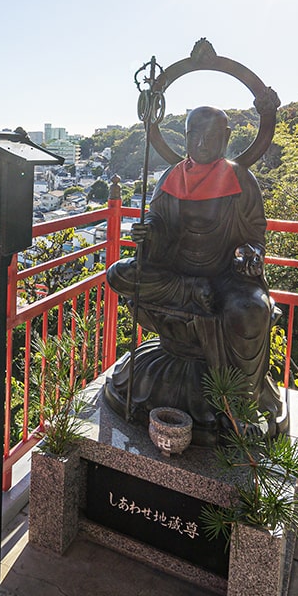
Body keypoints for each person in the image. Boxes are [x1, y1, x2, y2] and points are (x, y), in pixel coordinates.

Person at [103, 105, 285, 441]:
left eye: (211, 136)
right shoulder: (171, 176)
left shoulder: (241, 179)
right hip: (177, 275)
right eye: (194, 135)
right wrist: (147, 232)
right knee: (118, 274)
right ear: (184, 137)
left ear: (226, 138)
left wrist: (251, 253)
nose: (201, 142)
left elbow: (255, 235)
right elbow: (157, 223)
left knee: (251, 311)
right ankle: (190, 290)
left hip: (226, 276)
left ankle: (240, 404)